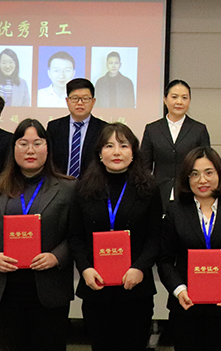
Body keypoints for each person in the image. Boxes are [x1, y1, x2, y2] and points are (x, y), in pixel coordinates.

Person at [0, 119, 76, 351]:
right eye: (23, 143)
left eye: (37, 143)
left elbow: (77, 233)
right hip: (5, 287)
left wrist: (57, 256)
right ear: (13, 148)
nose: (30, 150)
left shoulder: (67, 188)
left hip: (49, 286)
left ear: (48, 148)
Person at [69, 123, 161, 351]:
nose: (116, 152)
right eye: (109, 146)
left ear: (134, 152)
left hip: (135, 288)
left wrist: (140, 268)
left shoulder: (148, 188)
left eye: (123, 145)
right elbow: (75, 236)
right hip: (96, 288)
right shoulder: (83, 188)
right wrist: (85, 268)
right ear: (100, 153)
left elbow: (155, 236)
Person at [158, 147, 221, 351]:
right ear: (186, 178)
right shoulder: (174, 211)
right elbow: (165, 259)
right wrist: (179, 290)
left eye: (209, 172)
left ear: (219, 174)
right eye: (194, 174)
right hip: (185, 305)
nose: (202, 180)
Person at [140, 79, 211, 205]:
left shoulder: (199, 129)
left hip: (190, 192)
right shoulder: (152, 129)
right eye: (174, 97)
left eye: (184, 98)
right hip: (158, 193)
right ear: (165, 99)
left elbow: (206, 164)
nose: (179, 102)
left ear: (189, 101)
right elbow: (144, 166)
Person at [46, 78, 109, 179]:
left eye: (85, 98)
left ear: (93, 101)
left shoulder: (104, 129)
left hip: (93, 183)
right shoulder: (54, 127)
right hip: (59, 183)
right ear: (67, 101)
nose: (80, 103)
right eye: (75, 98)